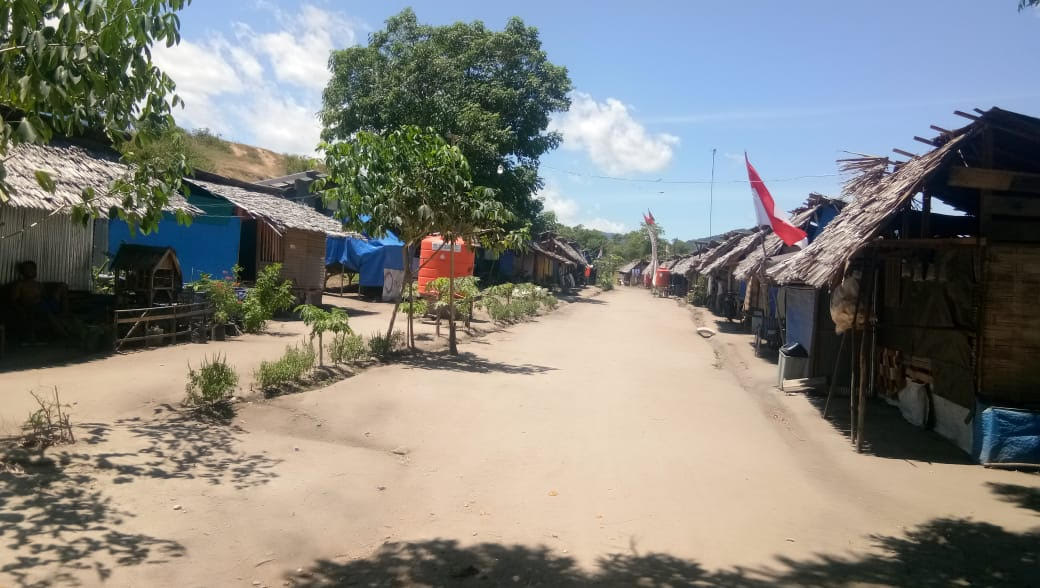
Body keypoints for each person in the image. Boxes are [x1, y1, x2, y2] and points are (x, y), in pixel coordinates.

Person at [10, 261, 68, 343]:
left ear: (35, 271)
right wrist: (21, 310)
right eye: (27, 269)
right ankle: (65, 335)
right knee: (47, 314)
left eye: (32, 269)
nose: (30, 271)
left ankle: (65, 315)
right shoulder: (20, 284)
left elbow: (44, 297)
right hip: (33, 307)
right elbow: (14, 301)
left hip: (45, 303)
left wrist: (43, 298)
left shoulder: (39, 284)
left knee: (62, 285)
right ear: (23, 271)